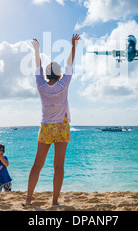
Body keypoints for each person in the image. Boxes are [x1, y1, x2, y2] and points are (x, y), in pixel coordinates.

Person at [26, 34, 80, 206]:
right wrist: (74, 46)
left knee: (37, 165)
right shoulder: (63, 84)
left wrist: (36, 50)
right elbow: (69, 64)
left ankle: (28, 200)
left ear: (46, 74)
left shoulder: (41, 85)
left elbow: (37, 66)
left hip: (46, 128)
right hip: (61, 128)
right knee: (58, 166)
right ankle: (55, 201)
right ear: (59, 74)